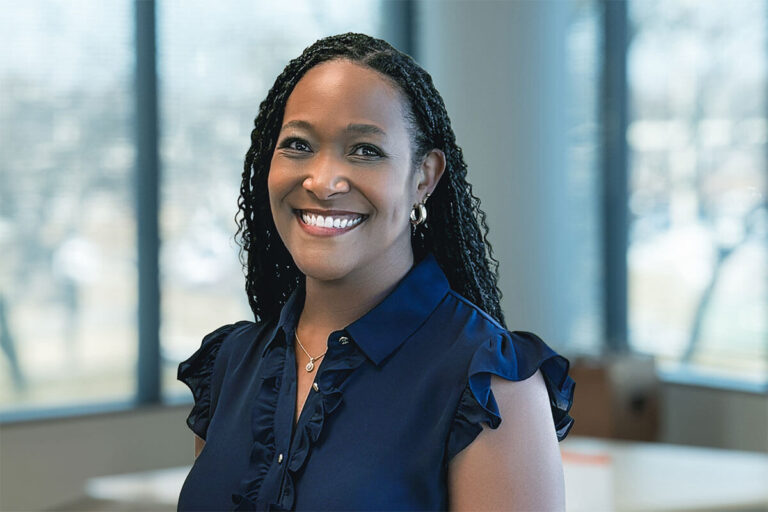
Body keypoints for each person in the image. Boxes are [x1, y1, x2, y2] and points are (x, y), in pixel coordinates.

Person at [177, 32, 575, 511]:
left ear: (424, 177)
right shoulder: (231, 363)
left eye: (365, 150)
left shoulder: (490, 386)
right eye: (298, 144)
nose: (322, 182)